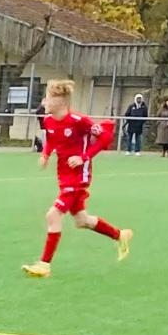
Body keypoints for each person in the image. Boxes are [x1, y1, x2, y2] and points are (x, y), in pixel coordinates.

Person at [21, 79, 131, 277]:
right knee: (82, 220)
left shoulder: (79, 121)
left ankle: (44, 265)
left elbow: (105, 138)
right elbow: (51, 139)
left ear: (61, 101)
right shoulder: (48, 121)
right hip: (63, 174)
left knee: (53, 215)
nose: (44, 102)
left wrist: (83, 157)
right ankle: (120, 235)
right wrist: (45, 155)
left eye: (48, 97)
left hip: (79, 176)